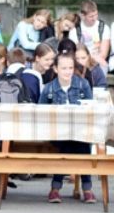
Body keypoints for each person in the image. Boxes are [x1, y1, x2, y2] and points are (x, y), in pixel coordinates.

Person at [39, 52, 95, 204]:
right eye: (64, 68)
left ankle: (58, 187)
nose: (68, 71)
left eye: (70, 68)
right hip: (57, 132)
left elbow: (90, 108)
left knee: (81, 142)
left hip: (80, 130)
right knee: (66, 142)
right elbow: (40, 112)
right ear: (56, 69)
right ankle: (85, 188)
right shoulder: (49, 89)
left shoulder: (83, 84)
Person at [70, 0, 111, 70]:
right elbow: (76, 53)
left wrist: (92, 62)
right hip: (81, 62)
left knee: (103, 66)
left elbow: (103, 54)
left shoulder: (104, 27)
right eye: (91, 16)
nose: (94, 18)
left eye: (96, 15)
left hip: (98, 62)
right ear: (83, 16)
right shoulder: (74, 31)